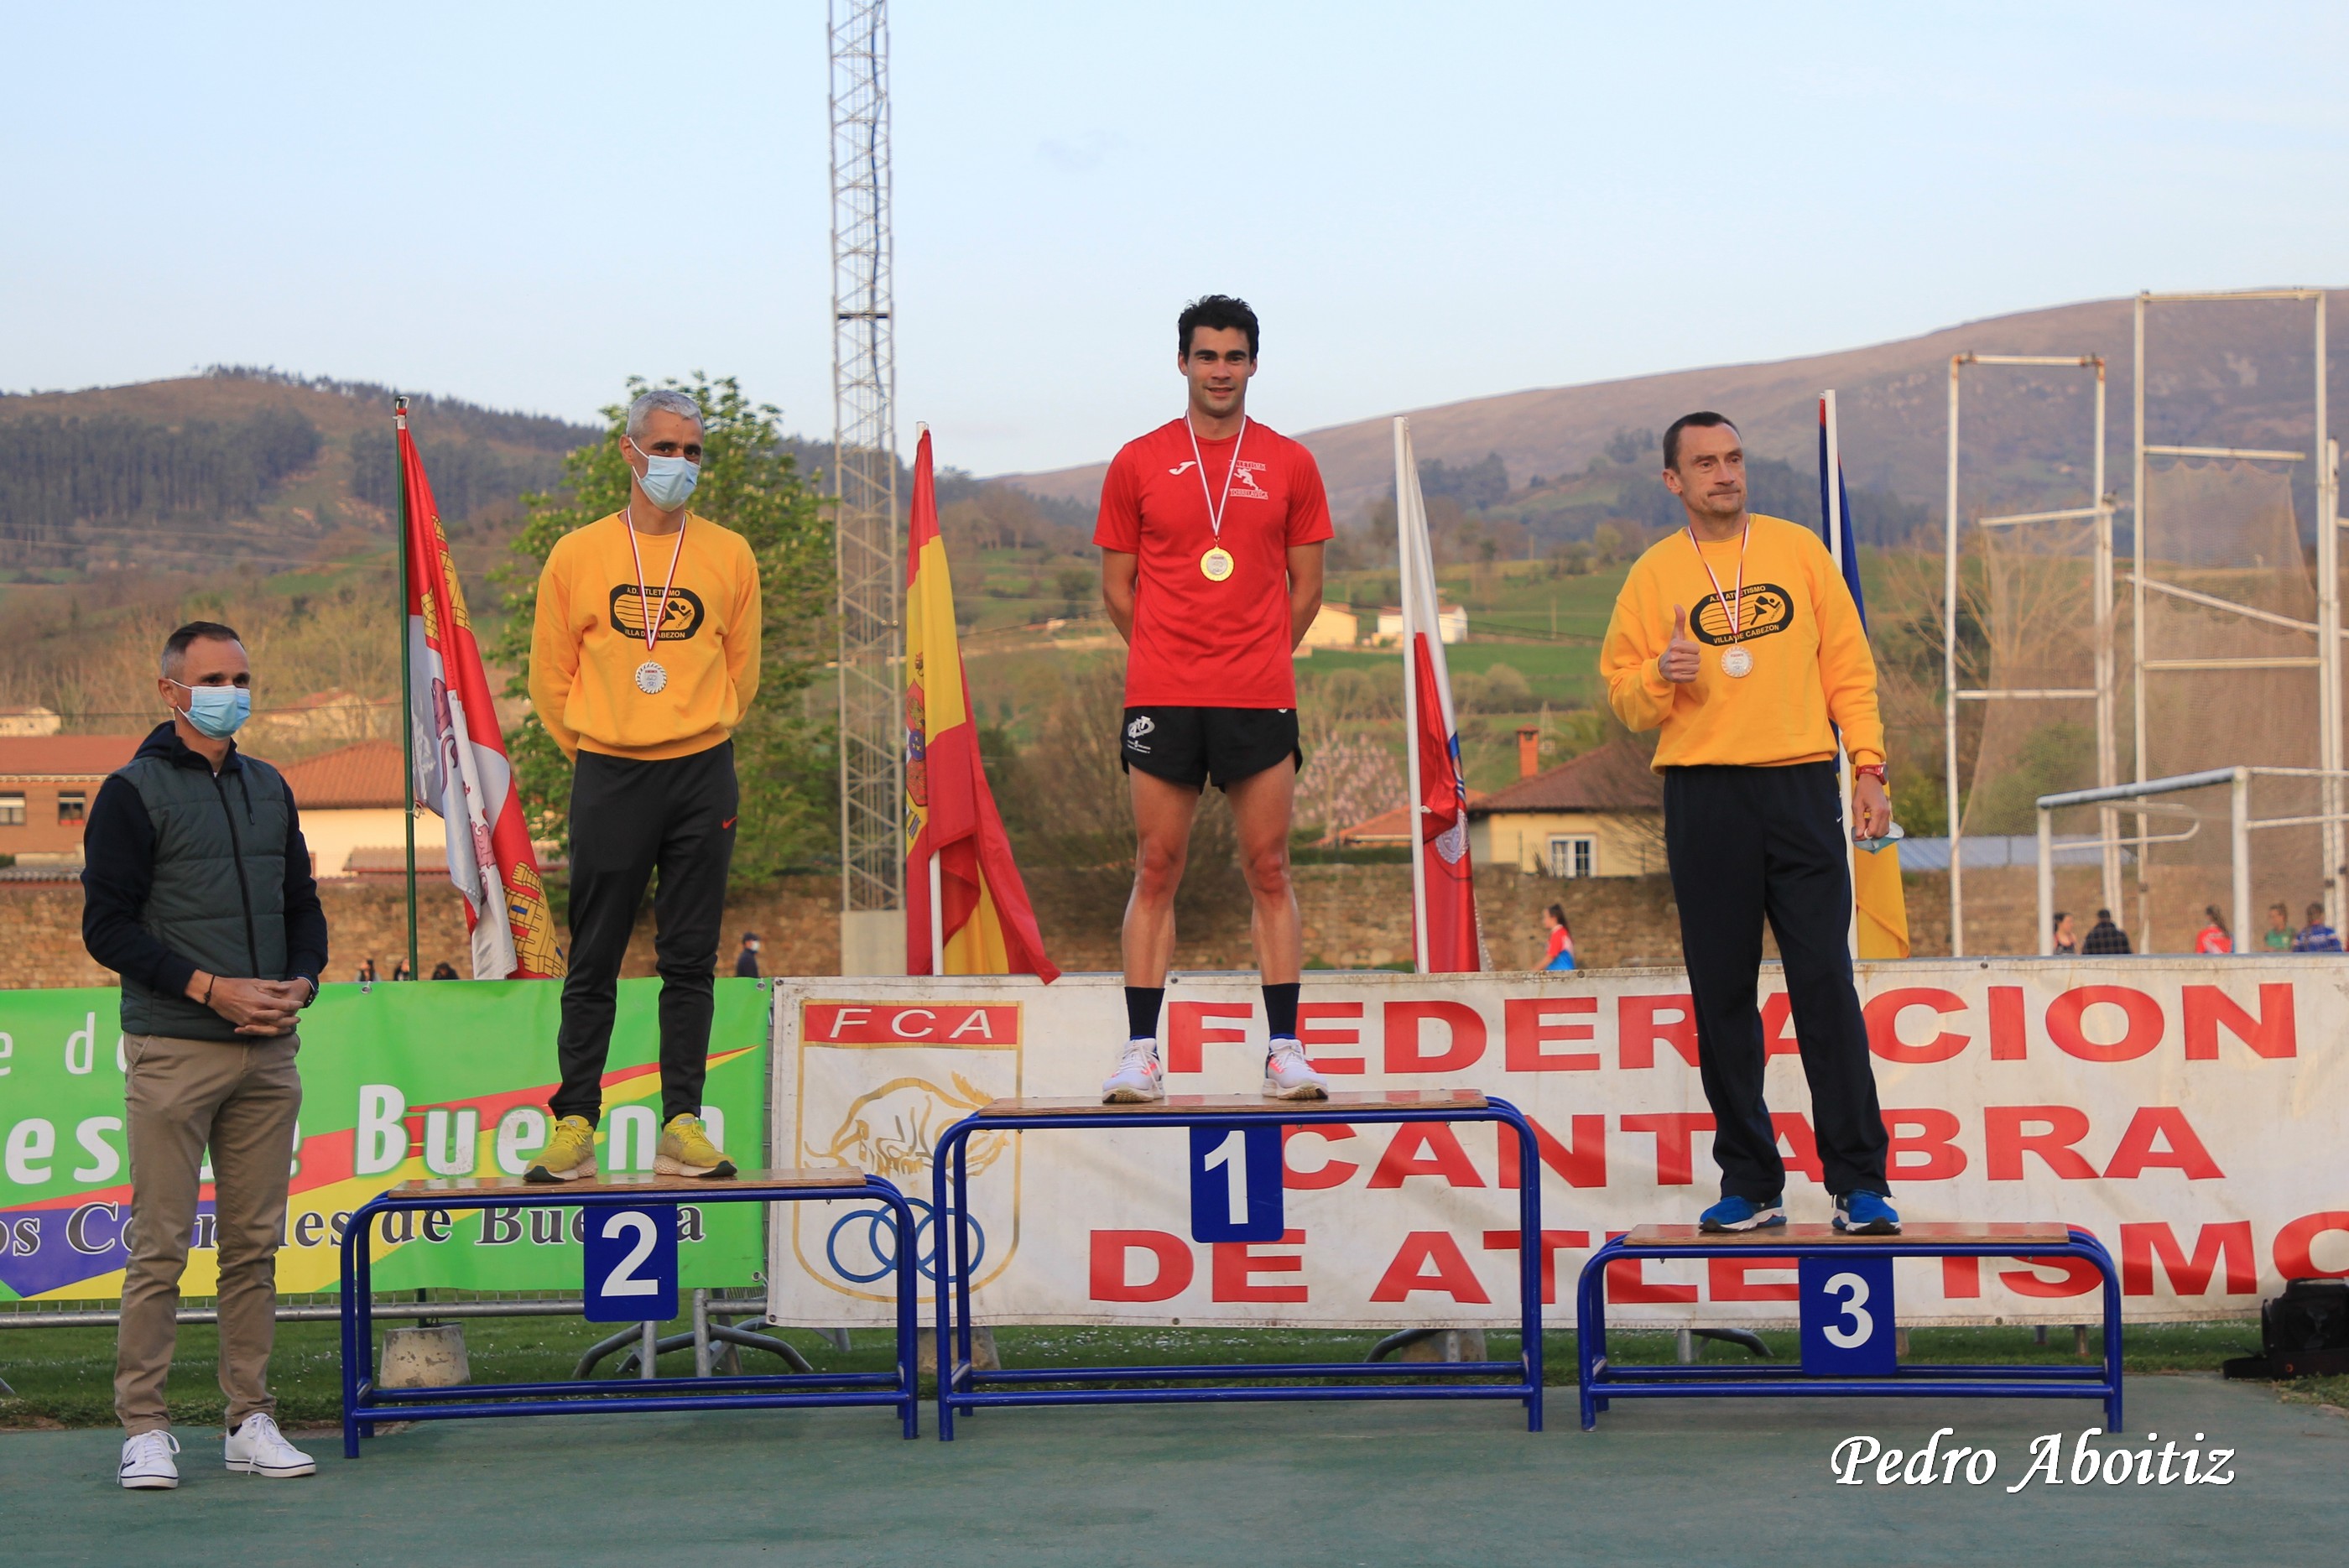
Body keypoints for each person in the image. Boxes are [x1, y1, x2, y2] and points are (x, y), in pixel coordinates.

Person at [1598, 412, 1898, 1236]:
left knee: (1825, 988)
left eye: (1733, 459)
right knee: (1721, 996)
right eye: (1704, 464)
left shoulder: (1799, 550)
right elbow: (1621, 693)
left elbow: (1848, 666)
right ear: (1673, 482)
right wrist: (1661, 673)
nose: (1724, 474)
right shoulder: (1653, 574)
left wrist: (1867, 767)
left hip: (1800, 786)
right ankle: (1751, 1181)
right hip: (1704, 796)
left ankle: (1859, 1183)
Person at [81, 621, 327, 1489]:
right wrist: (209, 989)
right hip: (174, 1048)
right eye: (214, 676)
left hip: (269, 1053)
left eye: (243, 676)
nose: (232, 690)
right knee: (159, 1245)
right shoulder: (130, 792)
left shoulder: (270, 787)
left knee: (254, 1249)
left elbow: (303, 905)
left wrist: (301, 982)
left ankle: (249, 1419)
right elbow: (104, 927)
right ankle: (144, 1427)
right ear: (171, 691)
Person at [1095, 294, 1334, 1103]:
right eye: (1206, 356)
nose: (1220, 370)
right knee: (1156, 864)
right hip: (1162, 690)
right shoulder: (1137, 460)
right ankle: (1139, 1053)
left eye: (1234, 357)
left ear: (1254, 364)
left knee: (1268, 866)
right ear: (1183, 363)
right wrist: (1173, 655)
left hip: (1258, 691)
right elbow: (1117, 587)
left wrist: (1253, 654)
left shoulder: (1292, 463)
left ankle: (1285, 1051)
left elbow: (1307, 587)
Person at [526, 388, 758, 1182]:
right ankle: (575, 1122)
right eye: (665, 449)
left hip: (701, 770)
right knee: (593, 956)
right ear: (629, 453)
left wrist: (693, 731)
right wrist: (602, 746)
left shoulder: (730, 553)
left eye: (692, 452)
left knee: (690, 956)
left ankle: (682, 1122)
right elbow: (550, 678)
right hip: (610, 769)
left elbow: (742, 671)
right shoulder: (577, 553)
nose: (679, 465)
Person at [1541, 903, 1577, 971]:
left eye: (1545, 917)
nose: (1543, 921)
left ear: (1554, 918)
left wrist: (1534, 971)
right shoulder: (1561, 933)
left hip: (1562, 973)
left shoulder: (1559, 934)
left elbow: (1550, 956)